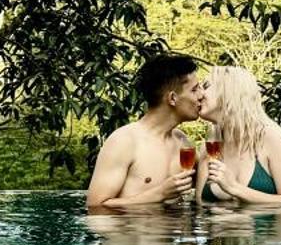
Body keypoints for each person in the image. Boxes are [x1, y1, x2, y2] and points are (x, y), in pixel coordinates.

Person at [86, 53, 206, 212]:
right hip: (133, 233)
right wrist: (159, 193)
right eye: (194, 89)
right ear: (172, 98)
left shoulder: (183, 142)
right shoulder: (124, 141)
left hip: (172, 234)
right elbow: (96, 206)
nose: (201, 95)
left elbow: (211, 190)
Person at [197, 64, 281, 210]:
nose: (199, 94)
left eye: (206, 86)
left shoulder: (271, 137)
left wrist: (234, 188)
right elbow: (200, 207)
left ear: (229, 92)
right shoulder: (210, 144)